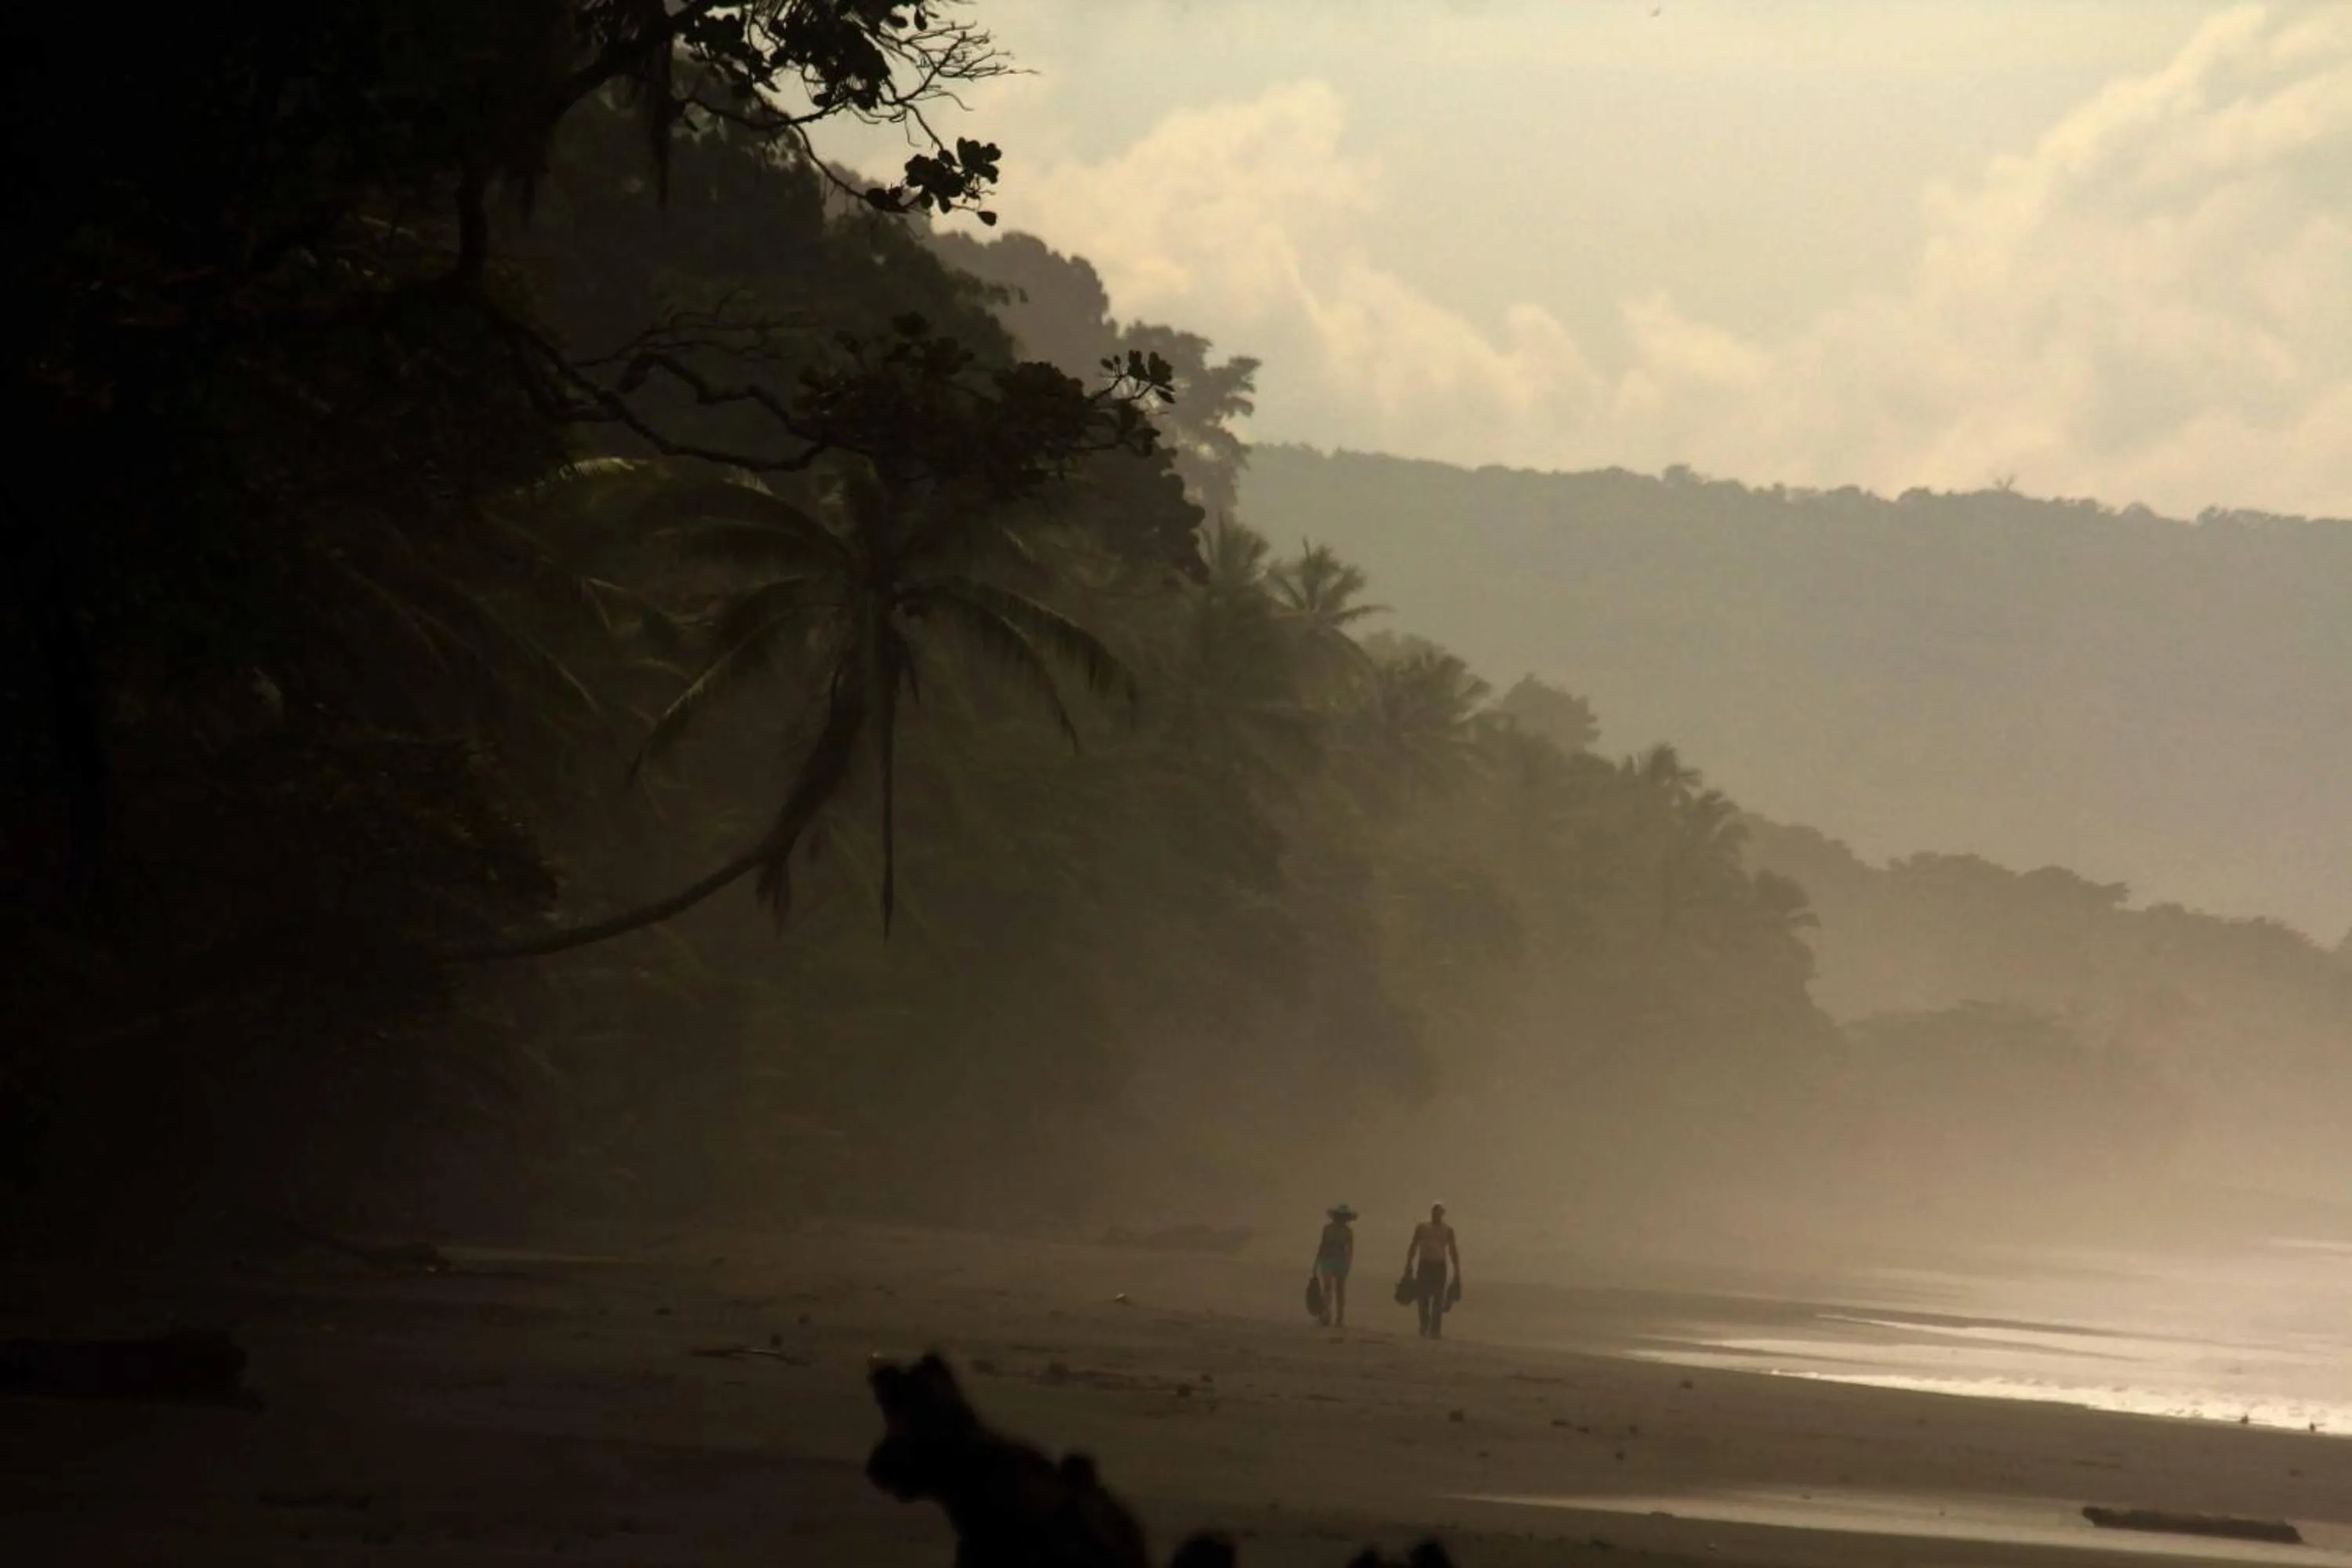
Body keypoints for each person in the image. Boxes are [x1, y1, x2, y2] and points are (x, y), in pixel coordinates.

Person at [1405, 1203, 1461, 1339]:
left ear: (1442, 1215)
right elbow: (1414, 1245)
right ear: (1432, 1213)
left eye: (1439, 1213)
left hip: (1439, 1266)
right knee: (1422, 1296)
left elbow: (1453, 1250)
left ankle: (1435, 1329)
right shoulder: (1423, 1228)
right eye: (1435, 1213)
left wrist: (1457, 1270)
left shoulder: (1447, 1230)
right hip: (1425, 1264)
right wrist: (1409, 1263)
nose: (1436, 1216)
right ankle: (1424, 1325)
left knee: (1438, 1297)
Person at [1313, 1205, 1357, 1327]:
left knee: (1339, 1289)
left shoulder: (1347, 1232)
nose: (1340, 1219)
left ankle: (1340, 1316)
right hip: (1327, 1259)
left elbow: (1350, 1250)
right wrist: (1316, 1262)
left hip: (1340, 1260)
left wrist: (1348, 1263)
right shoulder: (1328, 1229)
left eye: (1342, 1217)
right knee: (1327, 1287)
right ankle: (1325, 1314)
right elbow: (1322, 1245)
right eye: (1339, 1216)